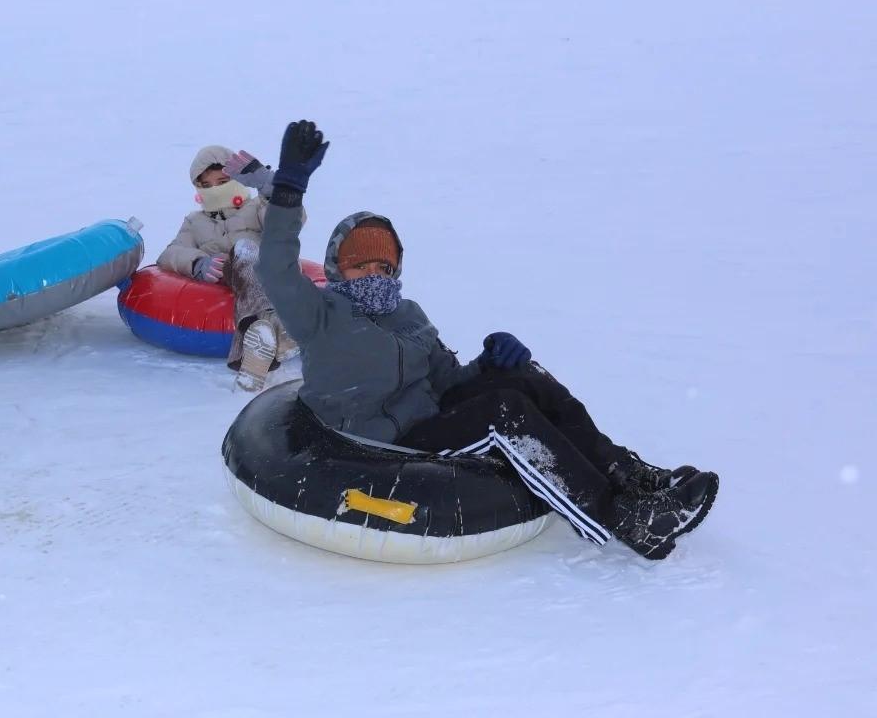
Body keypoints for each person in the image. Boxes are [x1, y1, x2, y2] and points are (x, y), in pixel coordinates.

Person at [255, 121, 719, 560]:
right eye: (361, 264)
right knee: (503, 415)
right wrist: (290, 188)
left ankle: (629, 474)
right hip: (378, 442)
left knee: (519, 380)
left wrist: (491, 363)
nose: (374, 274)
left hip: (428, 418)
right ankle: (624, 519)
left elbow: (447, 381)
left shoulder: (408, 315)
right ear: (338, 268)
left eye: (384, 266)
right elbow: (275, 266)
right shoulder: (319, 314)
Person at [155, 145, 297, 390]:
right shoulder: (195, 221)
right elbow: (170, 253)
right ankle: (276, 335)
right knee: (240, 252)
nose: (215, 190)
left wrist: (269, 185)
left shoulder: (257, 207)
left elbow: (290, 222)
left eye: (222, 181)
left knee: (245, 248)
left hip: (269, 272)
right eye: (206, 186)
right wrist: (198, 262)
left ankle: (254, 359)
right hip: (226, 274)